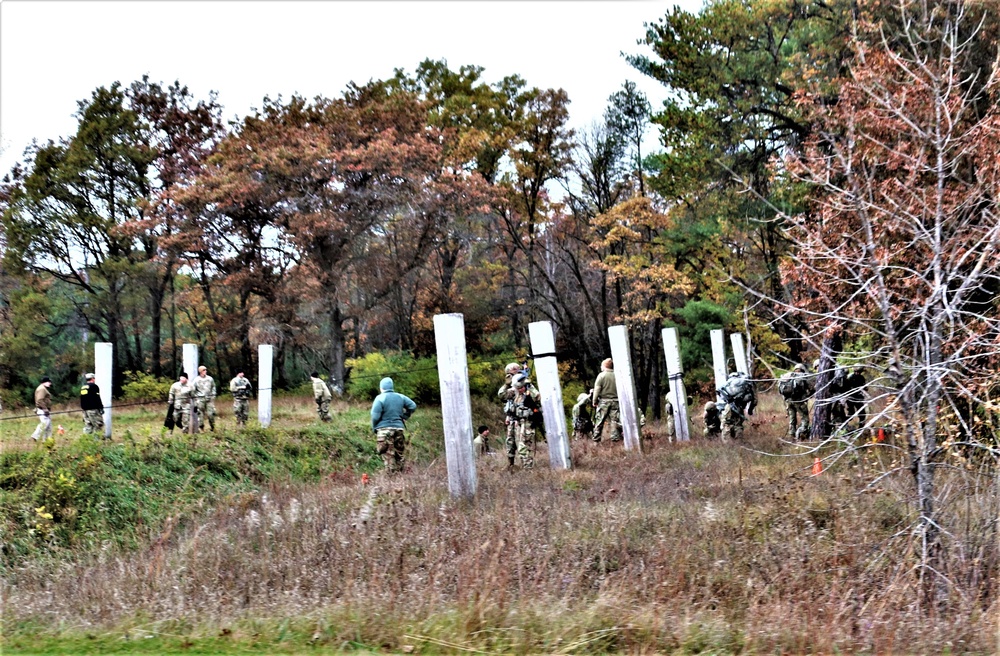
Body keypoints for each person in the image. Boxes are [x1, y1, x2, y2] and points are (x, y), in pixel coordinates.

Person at [370, 377, 416, 474]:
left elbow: (375, 416)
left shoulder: (380, 398)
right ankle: (400, 476)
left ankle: (390, 478)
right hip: (399, 428)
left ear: (381, 387)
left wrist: (374, 427)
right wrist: (405, 416)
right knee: (399, 454)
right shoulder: (400, 397)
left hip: (384, 430)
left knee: (388, 454)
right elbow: (413, 406)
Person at [509, 372, 542, 469]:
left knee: (525, 447)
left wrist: (529, 385)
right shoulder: (519, 396)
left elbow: (537, 397)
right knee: (521, 447)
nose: (518, 390)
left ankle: (528, 468)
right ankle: (526, 466)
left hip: (528, 423)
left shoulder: (530, 394)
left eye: (520, 388)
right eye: (517, 388)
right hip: (520, 423)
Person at [498, 362, 524, 468]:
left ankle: (526, 465)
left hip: (521, 419)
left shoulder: (523, 385)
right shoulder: (511, 387)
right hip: (512, 418)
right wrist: (507, 384)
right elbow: (502, 395)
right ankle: (511, 464)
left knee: (521, 442)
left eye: (511, 375)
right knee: (510, 442)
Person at [718, 371, 757, 440]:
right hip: (741, 407)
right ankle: (739, 440)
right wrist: (750, 410)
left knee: (727, 423)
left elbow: (721, 392)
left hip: (729, 406)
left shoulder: (731, 384)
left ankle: (727, 443)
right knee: (738, 424)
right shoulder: (748, 385)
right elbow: (754, 400)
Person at [778, 363, 813, 440]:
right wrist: (808, 395)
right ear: (802, 369)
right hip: (799, 401)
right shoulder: (802, 376)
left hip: (789, 402)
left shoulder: (787, 376)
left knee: (792, 419)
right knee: (805, 418)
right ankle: (800, 434)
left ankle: (791, 435)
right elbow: (811, 388)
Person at [591, 358, 622, 443]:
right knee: (614, 421)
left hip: (604, 402)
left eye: (601, 365)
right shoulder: (617, 375)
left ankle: (596, 440)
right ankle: (615, 440)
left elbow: (597, 389)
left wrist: (594, 401)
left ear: (604, 366)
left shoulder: (601, 375)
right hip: (616, 401)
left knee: (599, 421)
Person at [80, 373, 106, 437]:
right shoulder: (94, 386)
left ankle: (85, 440)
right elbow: (97, 397)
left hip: (85, 410)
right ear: (92, 379)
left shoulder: (83, 387)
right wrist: (101, 407)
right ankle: (97, 441)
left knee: (88, 425)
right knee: (98, 424)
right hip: (93, 409)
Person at [193, 365, 217, 432]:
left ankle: (213, 427)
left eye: (205, 370)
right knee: (200, 414)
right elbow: (193, 390)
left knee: (211, 414)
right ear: (200, 371)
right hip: (200, 399)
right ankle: (201, 428)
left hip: (209, 399)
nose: (205, 371)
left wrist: (213, 395)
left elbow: (213, 387)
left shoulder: (210, 379)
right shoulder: (196, 380)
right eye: (203, 370)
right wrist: (196, 398)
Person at [31, 376, 53, 442]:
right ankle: (35, 436)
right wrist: (45, 409)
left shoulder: (42, 388)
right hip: (42, 410)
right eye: (49, 382)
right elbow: (40, 400)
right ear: (45, 382)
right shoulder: (42, 389)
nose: (50, 383)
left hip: (43, 409)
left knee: (48, 426)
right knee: (44, 424)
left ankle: (46, 440)